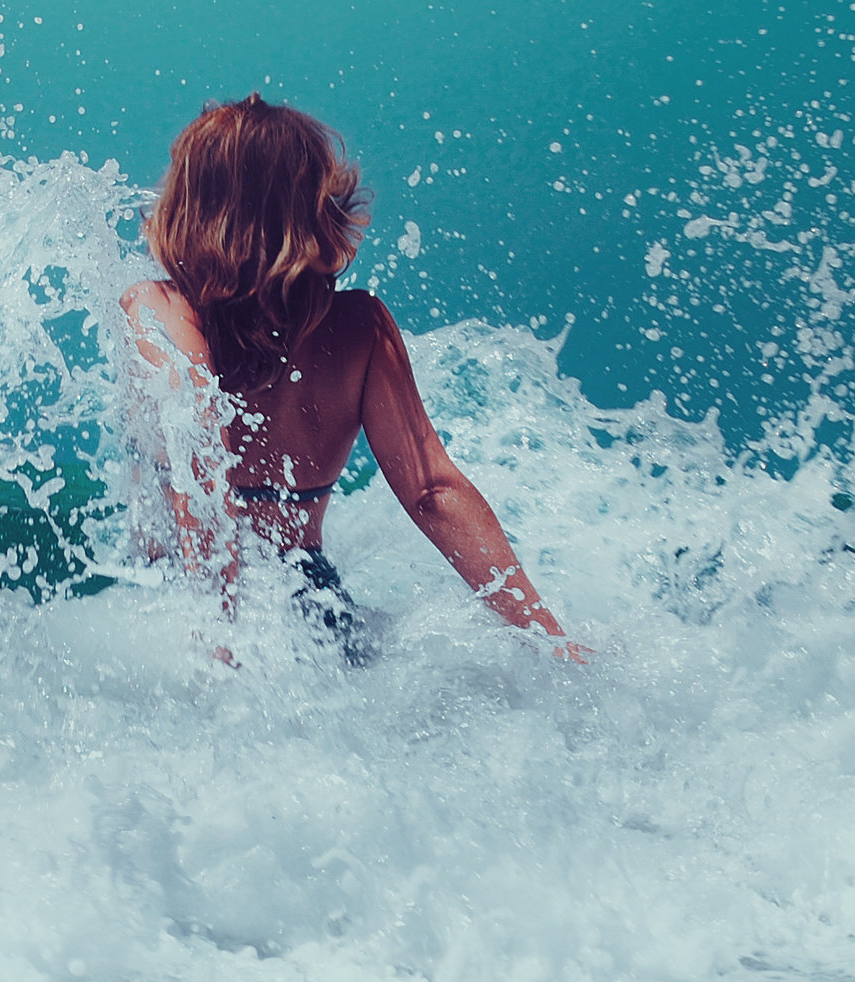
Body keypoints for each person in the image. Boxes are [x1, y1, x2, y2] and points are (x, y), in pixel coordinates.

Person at [120, 94, 585, 662]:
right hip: (311, 609)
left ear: (191, 211)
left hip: (177, 606)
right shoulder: (359, 328)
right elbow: (434, 492)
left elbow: (203, 470)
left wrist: (218, 655)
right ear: (318, 212)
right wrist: (551, 639)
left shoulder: (155, 310)